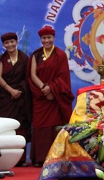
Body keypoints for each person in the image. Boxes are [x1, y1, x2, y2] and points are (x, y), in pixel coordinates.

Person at [27, 25, 74, 167]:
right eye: (43, 38)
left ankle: (55, 156)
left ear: (53, 38)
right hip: (41, 96)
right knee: (40, 126)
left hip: (55, 98)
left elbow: (62, 77)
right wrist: (44, 88)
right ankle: (40, 158)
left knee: (55, 126)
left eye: (49, 37)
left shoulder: (60, 55)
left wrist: (52, 89)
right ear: (40, 39)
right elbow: (32, 74)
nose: (46, 40)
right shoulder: (36, 55)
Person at [0, 32, 31, 166]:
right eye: (6, 43)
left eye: (12, 42)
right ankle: (6, 158)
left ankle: (21, 159)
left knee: (21, 126)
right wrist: (11, 90)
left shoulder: (24, 58)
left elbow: (28, 77)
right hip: (6, 97)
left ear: (16, 42)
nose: (10, 45)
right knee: (8, 126)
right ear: (3, 45)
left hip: (21, 97)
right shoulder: (1, 59)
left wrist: (19, 90)